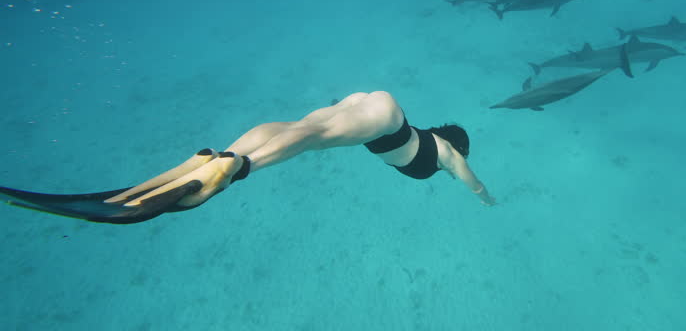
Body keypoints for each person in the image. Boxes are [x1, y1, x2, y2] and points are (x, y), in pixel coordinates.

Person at [0, 91, 495, 224]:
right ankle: (237, 167)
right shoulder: (447, 152)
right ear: (455, 142)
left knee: (305, 130)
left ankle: (228, 155)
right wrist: (487, 200)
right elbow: (470, 181)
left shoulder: (433, 138)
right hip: (386, 121)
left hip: (371, 106)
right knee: (308, 138)